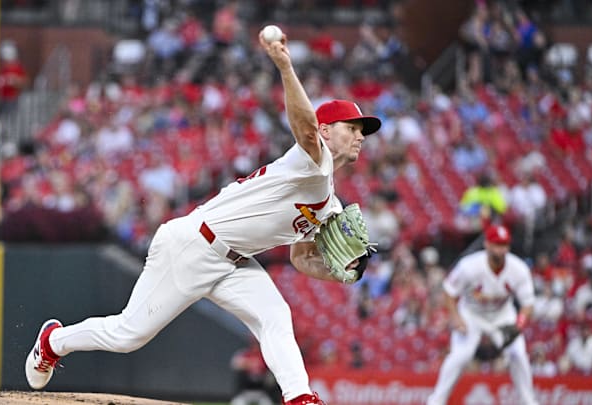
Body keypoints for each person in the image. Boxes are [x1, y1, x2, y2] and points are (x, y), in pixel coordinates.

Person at [24, 27, 381, 405]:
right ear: (327, 130)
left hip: (236, 263)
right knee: (128, 335)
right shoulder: (312, 160)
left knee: (275, 314)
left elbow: (301, 258)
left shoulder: (331, 205)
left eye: (363, 131)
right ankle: (53, 341)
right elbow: (305, 128)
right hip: (194, 244)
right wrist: (284, 66)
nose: (360, 136)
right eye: (353, 127)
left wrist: (342, 272)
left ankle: (300, 398)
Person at [426, 224, 539, 405]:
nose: (500, 249)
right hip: (472, 314)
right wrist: (455, 318)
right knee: (461, 355)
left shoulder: (518, 269)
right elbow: (449, 291)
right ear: (487, 244)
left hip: (503, 315)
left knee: (518, 354)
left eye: (503, 245)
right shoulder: (469, 266)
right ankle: (436, 401)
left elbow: (528, 304)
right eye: (496, 244)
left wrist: (519, 324)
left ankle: (529, 402)